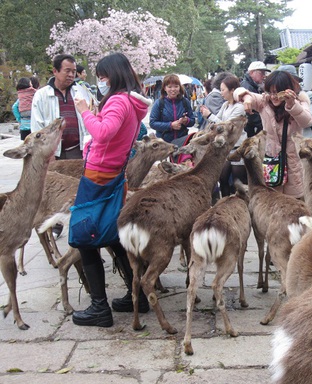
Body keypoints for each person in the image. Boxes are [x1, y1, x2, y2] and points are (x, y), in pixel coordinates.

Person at [72, 52, 152, 327]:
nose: (100, 80)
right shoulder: (131, 101)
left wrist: (84, 111)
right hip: (114, 174)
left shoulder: (118, 101)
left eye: (103, 76)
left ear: (114, 75)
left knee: (83, 237)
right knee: (112, 235)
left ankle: (99, 308)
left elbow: (104, 133)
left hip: (98, 176)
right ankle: (138, 295)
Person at [236, 70, 312, 199]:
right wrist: (247, 97)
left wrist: (291, 104)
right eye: (270, 92)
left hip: (292, 164)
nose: (274, 96)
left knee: (294, 204)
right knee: (273, 203)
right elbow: (237, 92)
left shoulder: (300, 103)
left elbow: (307, 122)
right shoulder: (264, 102)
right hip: (271, 163)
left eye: (277, 92)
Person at [31, 53, 93, 160]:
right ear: (55, 71)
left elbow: (89, 119)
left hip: (79, 151)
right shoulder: (41, 95)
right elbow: (37, 127)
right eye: (67, 71)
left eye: (73, 72)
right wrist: (47, 153)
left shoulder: (82, 91)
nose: (71, 75)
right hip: (53, 153)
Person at [200, 75, 246, 197]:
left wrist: (209, 115)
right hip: (225, 148)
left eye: (223, 89)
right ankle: (225, 204)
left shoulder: (240, 107)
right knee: (223, 178)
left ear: (232, 90)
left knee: (238, 182)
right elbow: (219, 120)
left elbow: (227, 126)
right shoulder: (225, 105)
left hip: (238, 147)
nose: (221, 93)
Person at [149, 74, 195, 148]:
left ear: (180, 87)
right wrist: (170, 125)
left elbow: (192, 121)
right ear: (164, 88)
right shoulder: (159, 103)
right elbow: (152, 123)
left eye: (176, 86)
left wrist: (186, 120)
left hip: (182, 141)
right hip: (164, 144)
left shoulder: (185, 102)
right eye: (169, 87)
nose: (173, 89)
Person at [241, 61, 270, 137]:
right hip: (249, 129)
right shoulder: (247, 86)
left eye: (264, 73)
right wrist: (266, 121)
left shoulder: (254, 86)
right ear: (251, 73)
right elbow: (250, 114)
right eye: (262, 73)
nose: (264, 76)